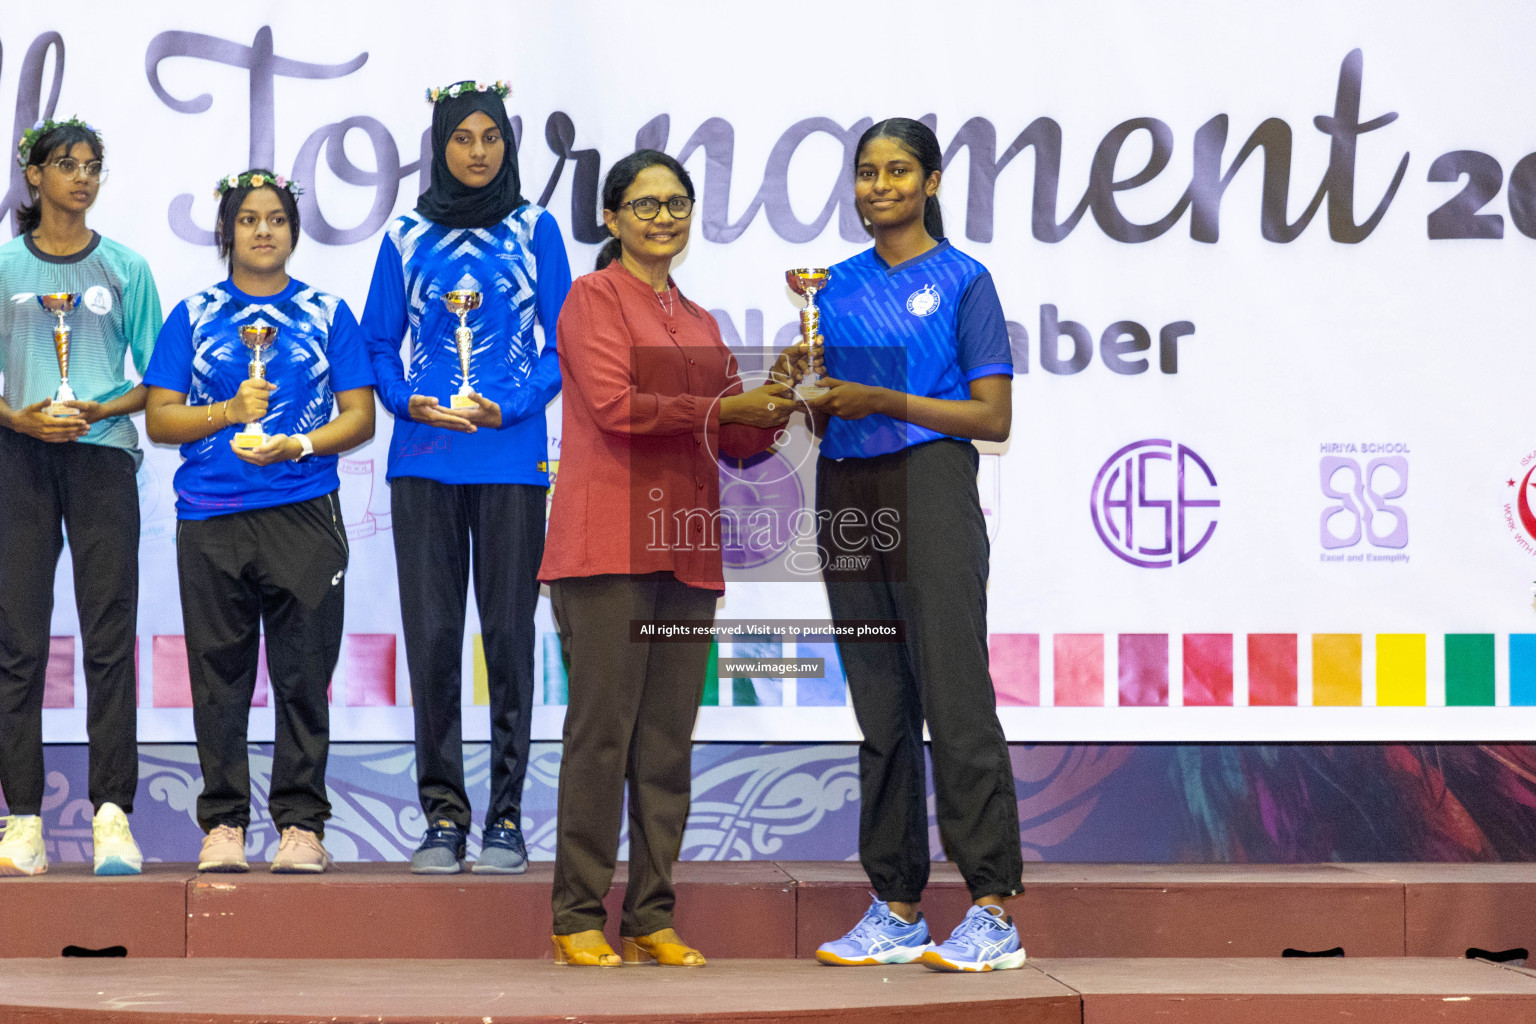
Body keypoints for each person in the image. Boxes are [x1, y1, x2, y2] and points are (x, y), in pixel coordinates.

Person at [540, 150, 791, 967]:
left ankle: (651, 914)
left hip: (688, 554)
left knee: (666, 745)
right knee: (602, 738)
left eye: (676, 202)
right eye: (644, 205)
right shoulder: (592, 297)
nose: (663, 217)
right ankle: (577, 914)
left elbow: (740, 444)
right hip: (607, 545)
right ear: (611, 219)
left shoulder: (700, 318)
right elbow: (615, 408)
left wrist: (780, 396)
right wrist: (727, 403)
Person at [806, 118, 1025, 972]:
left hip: (930, 483)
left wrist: (882, 400)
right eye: (866, 173)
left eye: (898, 171)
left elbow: (993, 417)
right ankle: (895, 906)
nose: (879, 186)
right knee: (881, 705)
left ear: (932, 182)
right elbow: (829, 402)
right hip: (846, 489)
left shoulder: (965, 280)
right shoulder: (834, 285)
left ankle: (992, 909)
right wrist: (805, 390)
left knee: (954, 695)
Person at [362, 79, 570, 876]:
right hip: (424, 460)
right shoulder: (406, 234)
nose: (478, 151)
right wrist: (405, 399)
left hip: (512, 459)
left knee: (511, 640)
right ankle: (443, 816)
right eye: (463, 138)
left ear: (508, 146)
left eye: (491, 137)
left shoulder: (535, 228)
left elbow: (563, 343)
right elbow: (380, 343)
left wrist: (511, 405)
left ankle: (507, 817)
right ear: (441, 145)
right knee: (435, 640)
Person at [144, 169, 374, 873]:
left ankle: (301, 824)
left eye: (276, 218)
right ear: (228, 232)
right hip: (212, 515)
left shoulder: (329, 312)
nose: (264, 230)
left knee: (304, 677)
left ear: (293, 231)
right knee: (219, 678)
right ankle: (223, 824)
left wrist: (297, 443)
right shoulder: (194, 313)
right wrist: (228, 414)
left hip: (304, 514)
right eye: (249, 219)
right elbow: (159, 418)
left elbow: (359, 417)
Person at [0, 117, 160, 877]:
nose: (83, 177)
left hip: (101, 462)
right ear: (34, 176)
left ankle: (112, 816)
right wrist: (17, 416)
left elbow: (159, 383)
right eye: (67, 164)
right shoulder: (5, 269)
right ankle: (23, 820)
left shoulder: (125, 268)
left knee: (107, 640)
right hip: (21, 459)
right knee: (18, 644)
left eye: (94, 165)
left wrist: (100, 408)